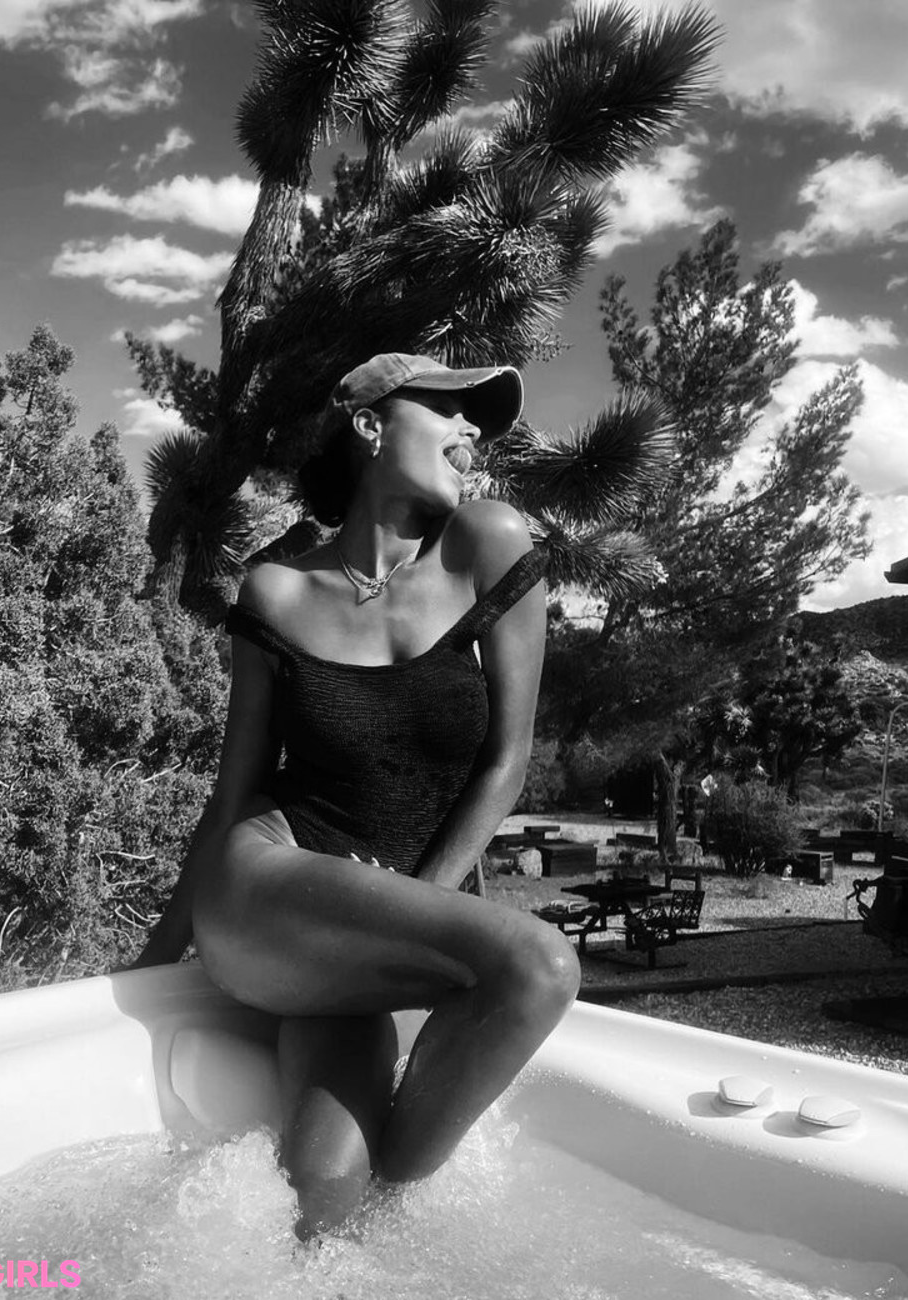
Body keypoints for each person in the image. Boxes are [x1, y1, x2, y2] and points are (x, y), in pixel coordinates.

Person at [134, 352, 580, 1238]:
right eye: (448, 406)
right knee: (538, 965)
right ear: (372, 425)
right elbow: (234, 793)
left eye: (476, 417)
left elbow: (508, 758)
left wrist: (411, 908)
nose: (471, 428)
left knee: (328, 1186)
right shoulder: (277, 589)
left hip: (375, 932)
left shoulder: (487, 542)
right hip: (270, 892)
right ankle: (401, 1175)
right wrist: (149, 968)